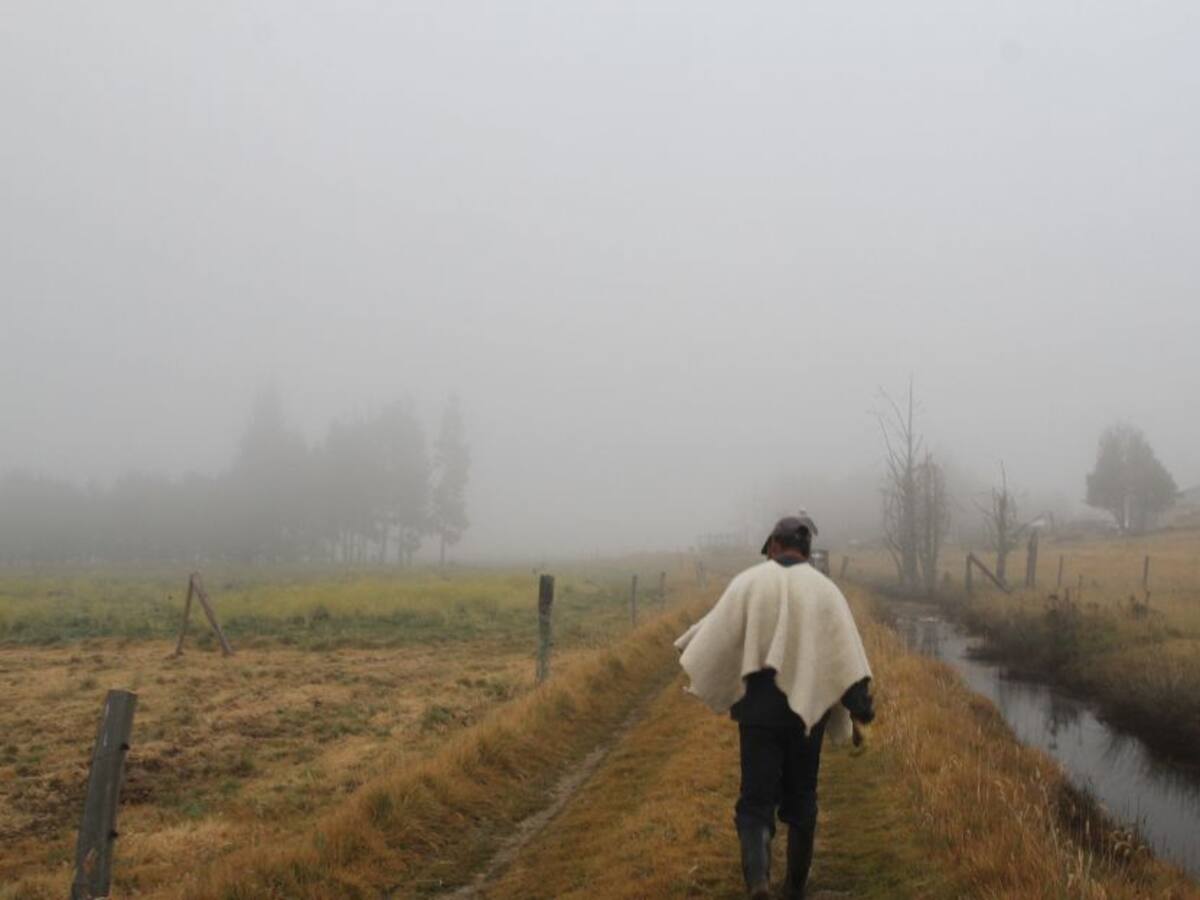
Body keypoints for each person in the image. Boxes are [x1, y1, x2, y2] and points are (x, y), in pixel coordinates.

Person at [675, 513, 874, 899]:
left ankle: (759, 882)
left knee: (755, 800)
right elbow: (845, 654)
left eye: (770, 549)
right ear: (806, 550)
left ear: (777, 546)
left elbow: (717, 634)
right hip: (808, 716)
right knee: (802, 801)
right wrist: (861, 707)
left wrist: (693, 650)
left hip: (757, 713)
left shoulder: (748, 582)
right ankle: (794, 890)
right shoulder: (826, 590)